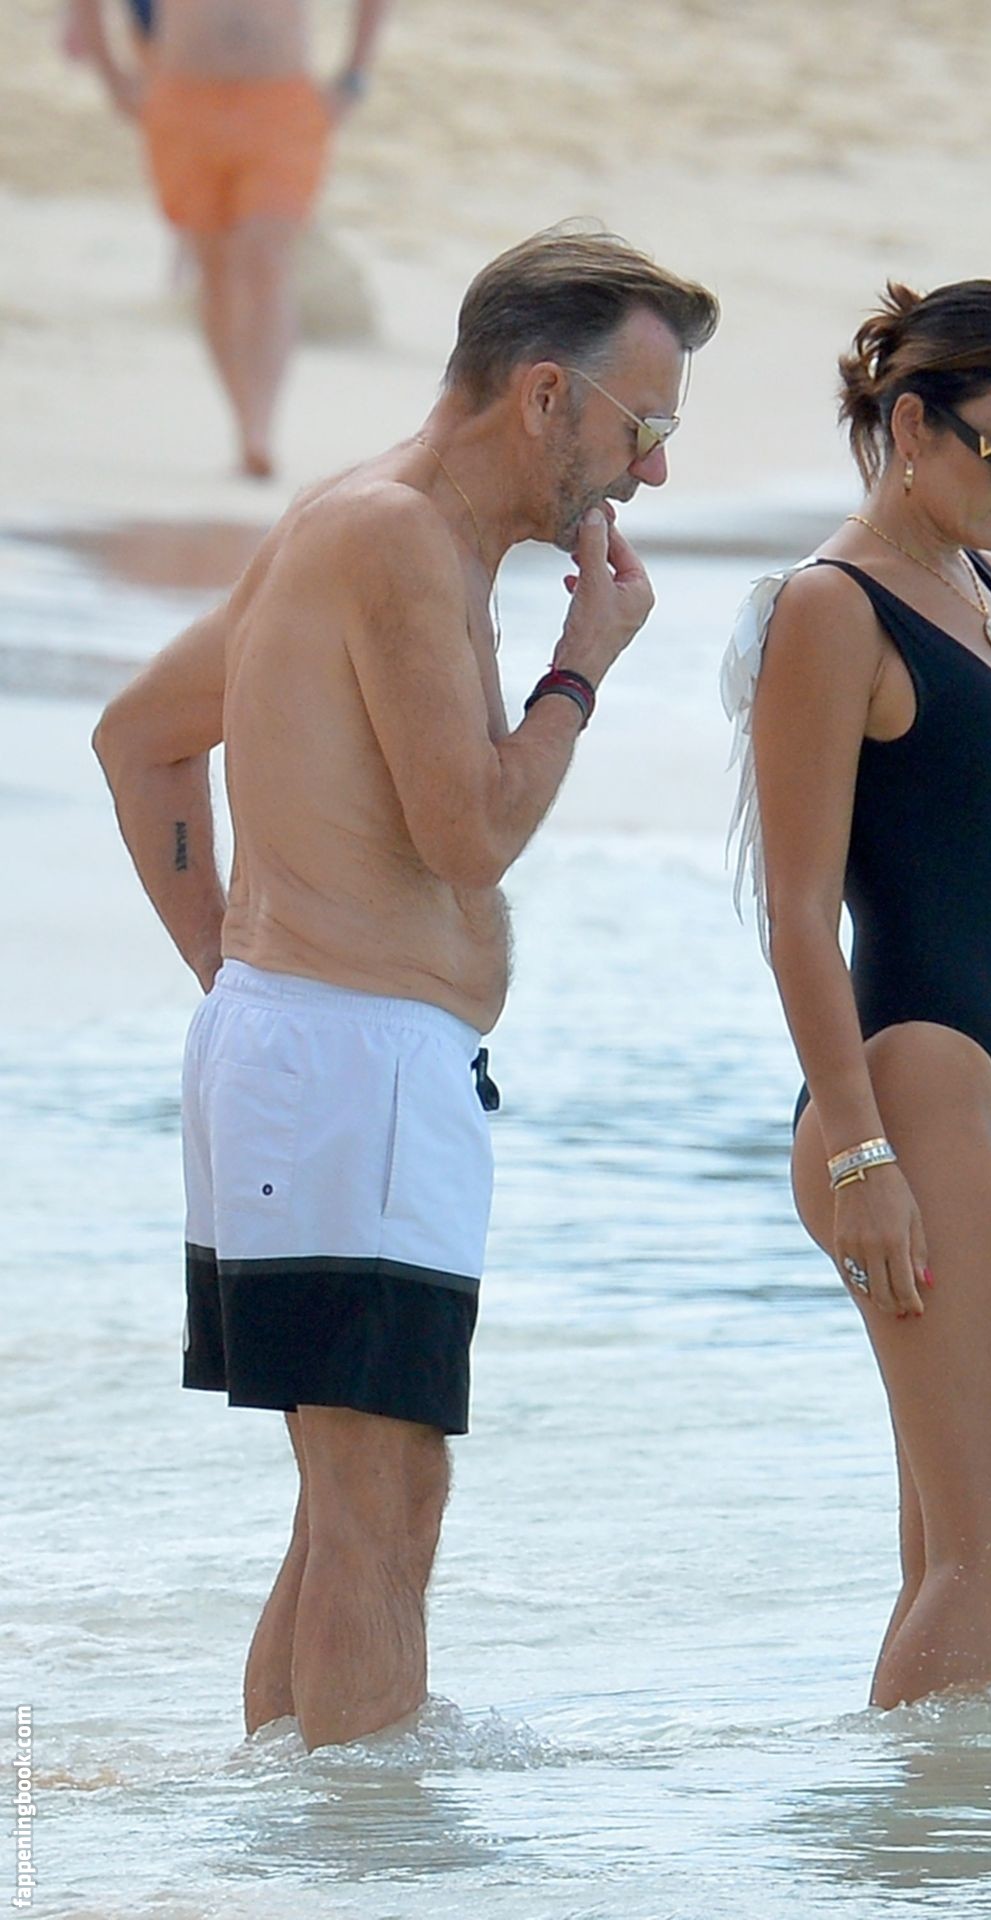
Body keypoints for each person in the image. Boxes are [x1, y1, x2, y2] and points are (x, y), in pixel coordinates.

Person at [93, 226, 719, 1750]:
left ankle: (293, 1830)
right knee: (379, 1496)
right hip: (342, 1064)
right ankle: (373, 1846)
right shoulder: (392, 537)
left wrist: (243, 981)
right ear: (545, 395)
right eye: (645, 426)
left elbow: (143, 738)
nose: (649, 474)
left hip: (321, 1056)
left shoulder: (359, 523)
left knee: (360, 1499)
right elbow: (471, 832)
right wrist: (581, 664)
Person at [722, 278, 991, 1709]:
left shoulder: (985, 589)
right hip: (907, 1092)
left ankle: (923, 1826)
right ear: (912, 425)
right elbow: (793, 917)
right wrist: (860, 1158)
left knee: (958, 1546)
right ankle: (910, 1822)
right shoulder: (830, 610)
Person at [67, 0, 391, 478]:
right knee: (215, 271)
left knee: (267, 259)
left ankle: (261, 427)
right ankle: (243, 423)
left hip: (281, 102)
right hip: (184, 101)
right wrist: (113, 79)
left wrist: (355, 75)